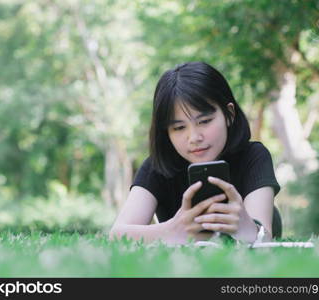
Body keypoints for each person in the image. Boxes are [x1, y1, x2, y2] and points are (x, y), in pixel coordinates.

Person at [110, 62, 281, 245]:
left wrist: (245, 226)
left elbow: (265, 237)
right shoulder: (156, 167)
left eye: (205, 121)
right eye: (179, 127)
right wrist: (172, 230)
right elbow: (118, 234)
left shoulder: (254, 156)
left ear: (229, 114)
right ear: (166, 131)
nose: (194, 137)